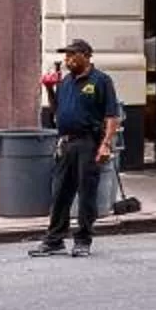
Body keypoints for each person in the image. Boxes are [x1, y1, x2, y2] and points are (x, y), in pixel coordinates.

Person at [30, 38, 122, 259]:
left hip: (89, 142)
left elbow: (112, 116)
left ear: (86, 55)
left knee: (86, 192)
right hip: (67, 142)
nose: (68, 59)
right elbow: (57, 111)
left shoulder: (101, 81)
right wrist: (50, 89)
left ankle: (83, 240)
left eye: (72, 55)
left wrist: (106, 144)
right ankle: (54, 240)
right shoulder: (66, 82)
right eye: (66, 56)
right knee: (60, 191)